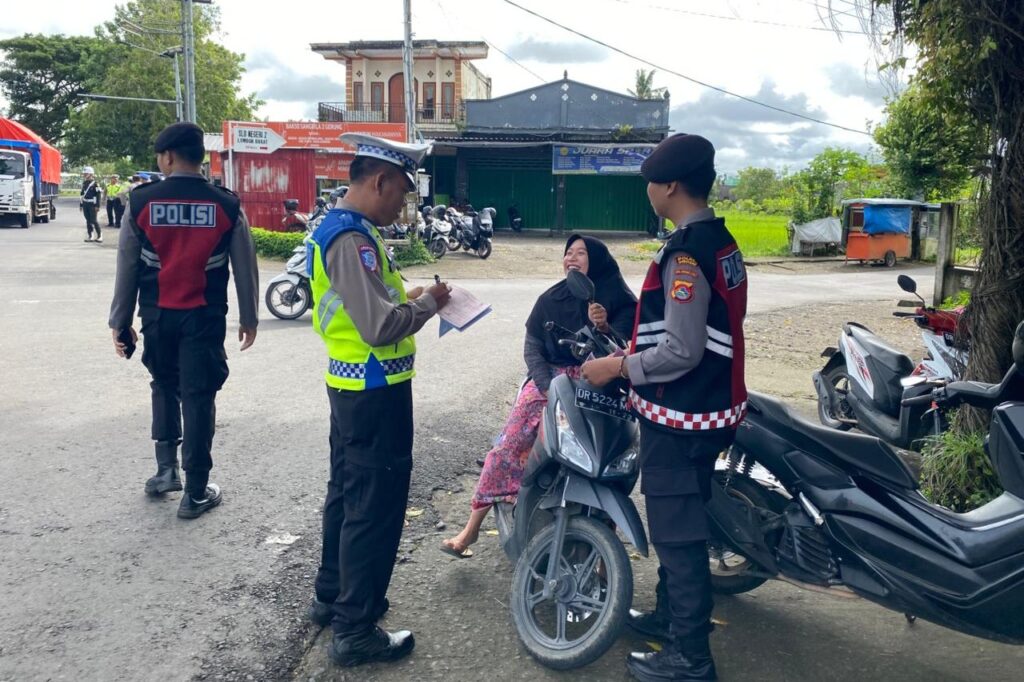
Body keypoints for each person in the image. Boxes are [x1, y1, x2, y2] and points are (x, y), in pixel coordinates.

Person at [581, 133, 747, 682]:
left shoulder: (686, 254)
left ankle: (689, 657)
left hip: (682, 414)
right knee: (687, 519)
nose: (649, 190)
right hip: (713, 408)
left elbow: (681, 348)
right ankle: (668, 617)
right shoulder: (722, 242)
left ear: (670, 186)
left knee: (678, 537)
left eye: (652, 181)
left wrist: (617, 367)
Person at [304, 133, 451, 668]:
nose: (403, 205)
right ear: (379, 180)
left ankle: (333, 595)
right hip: (375, 390)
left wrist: (411, 296)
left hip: (352, 387)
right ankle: (356, 627)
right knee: (374, 506)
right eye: (403, 194)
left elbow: (370, 302)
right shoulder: (352, 238)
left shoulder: (347, 229)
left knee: (346, 494)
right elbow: (378, 325)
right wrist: (431, 305)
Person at [441, 235, 636, 558]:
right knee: (509, 446)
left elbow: (628, 351)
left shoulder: (619, 300)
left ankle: (606, 547)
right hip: (552, 381)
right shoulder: (550, 299)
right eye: (568, 253)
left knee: (611, 460)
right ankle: (472, 528)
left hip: (601, 388)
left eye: (581, 253)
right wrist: (546, 386)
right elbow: (532, 347)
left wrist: (604, 329)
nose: (572, 259)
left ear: (598, 261)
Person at [108, 122, 260, 520]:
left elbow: (126, 265)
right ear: (201, 157)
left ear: (168, 157)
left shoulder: (141, 202)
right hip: (204, 319)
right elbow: (245, 265)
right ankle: (195, 491)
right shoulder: (226, 205)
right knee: (198, 396)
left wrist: (120, 321)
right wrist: (249, 317)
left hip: (157, 317)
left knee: (162, 384)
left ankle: (165, 472)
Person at [80, 167, 102, 242]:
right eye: (84, 174)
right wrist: (81, 205)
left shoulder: (95, 184)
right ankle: (91, 236)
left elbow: (98, 195)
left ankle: (99, 236)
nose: (84, 175)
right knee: (88, 220)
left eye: (86, 174)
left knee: (94, 220)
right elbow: (82, 194)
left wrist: (98, 206)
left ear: (90, 174)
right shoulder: (84, 183)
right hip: (85, 203)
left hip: (92, 204)